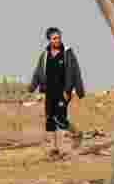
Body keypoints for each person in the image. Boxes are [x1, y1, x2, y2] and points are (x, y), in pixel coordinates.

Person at [29, 27, 85, 156]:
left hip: (63, 91)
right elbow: (38, 71)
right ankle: (54, 148)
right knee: (50, 119)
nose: (57, 40)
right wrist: (32, 87)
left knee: (60, 118)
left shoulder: (67, 52)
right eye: (54, 38)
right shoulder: (45, 54)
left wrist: (74, 89)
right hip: (49, 91)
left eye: (59, 37)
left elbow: (74, 71)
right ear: (49, 40)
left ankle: (76, 133)